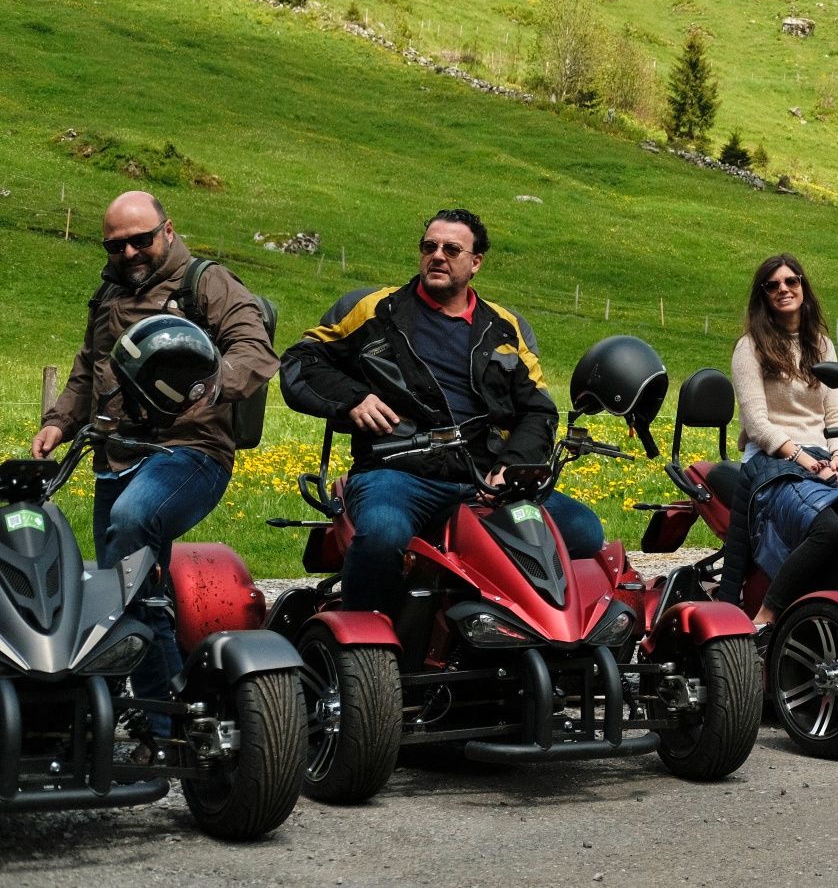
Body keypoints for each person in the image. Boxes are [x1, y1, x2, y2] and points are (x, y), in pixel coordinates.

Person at [32, 191, 278, 731]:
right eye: (116, 244)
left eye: (140, 240)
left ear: (168, 230)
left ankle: (165, 725)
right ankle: (145, 712)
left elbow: (255, 351)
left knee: (132, 528)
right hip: (114, 456)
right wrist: (58, 422)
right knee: (120, 590)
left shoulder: (206, 283)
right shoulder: (108, 292)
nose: (129, 253)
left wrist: (210, 385)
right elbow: (88, 367)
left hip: (189, 452)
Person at [278, 208, 602, 615]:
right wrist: (354, 398)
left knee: (583, 530)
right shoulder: (377, 310)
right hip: (397, 473)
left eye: (452, 249)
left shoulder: (504, 327)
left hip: (486, 479)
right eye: (429, 247)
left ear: (475, 262)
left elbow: (538, 411)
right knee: (383, 532)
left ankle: (511, 633)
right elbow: (300, 362)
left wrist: (511, 466)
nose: (438, 256)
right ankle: (366, 640)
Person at [721, 254, 838, 627]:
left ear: (804, 288)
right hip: (772, 459)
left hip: (819, 457)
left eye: (791, 281)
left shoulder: (821, 345)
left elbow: (835, 416)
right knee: (827, 527)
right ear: (763, 295)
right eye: (773, 285)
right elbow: (757, 423)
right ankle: (767, 613)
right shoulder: (750, 347)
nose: (783, 289)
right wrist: (802, 458)